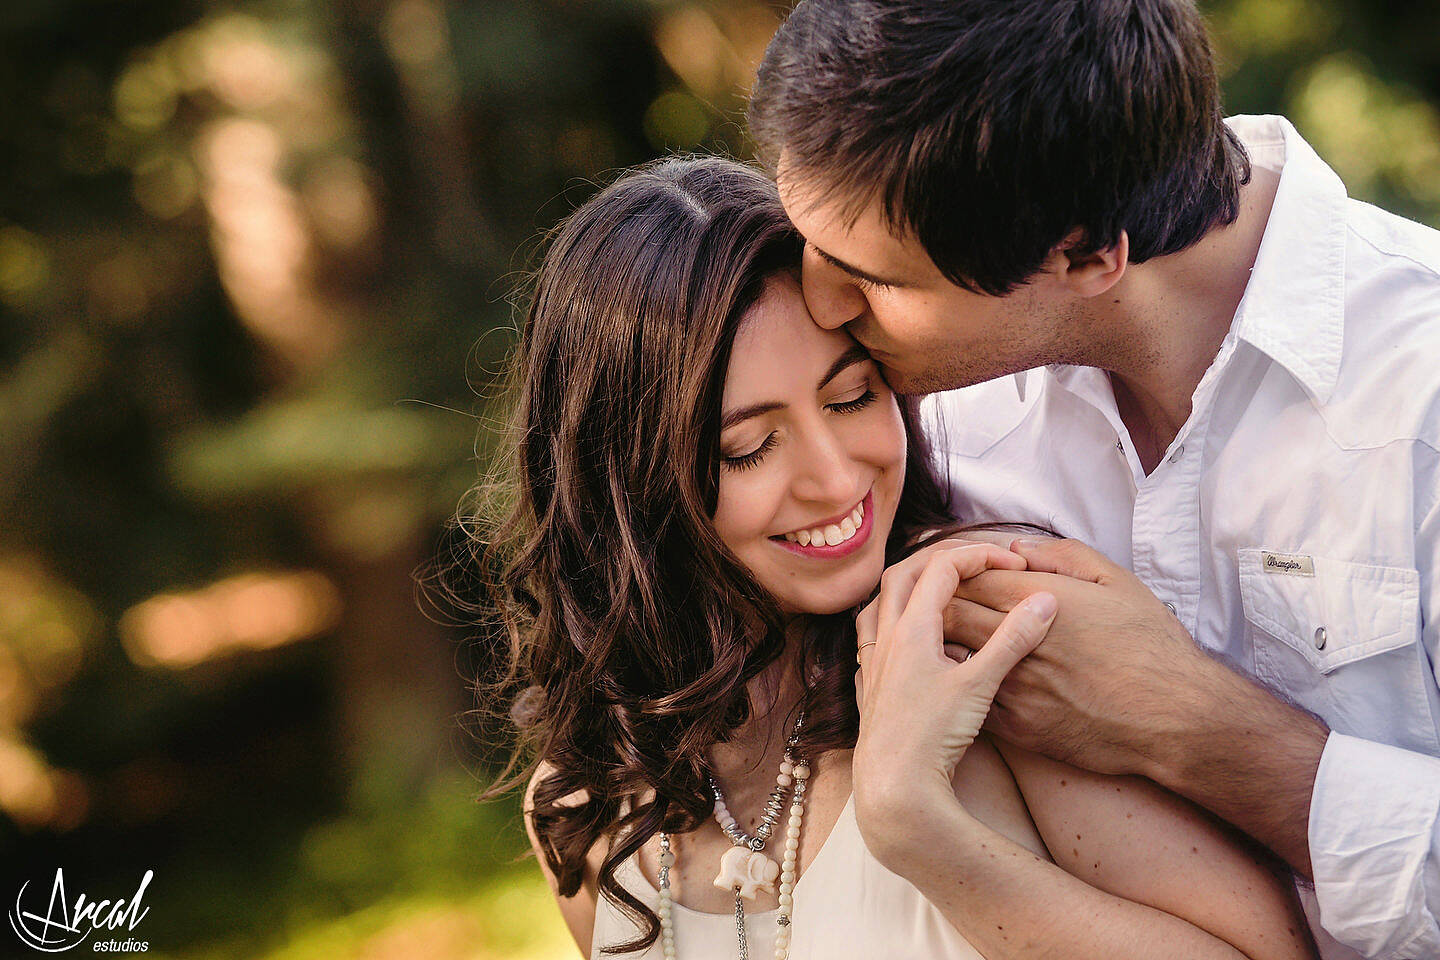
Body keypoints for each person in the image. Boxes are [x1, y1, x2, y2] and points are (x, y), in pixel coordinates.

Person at [481, 154, 1315, 959]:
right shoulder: (585, 804)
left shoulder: (995, 637)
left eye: (852, 397)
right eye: (748, 449)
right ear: (626, 485)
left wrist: (923, 833)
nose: (837, 477)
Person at [747, 1, 1440, 958]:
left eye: (876, 279)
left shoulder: (1422, 401)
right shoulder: (907, 408)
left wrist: (1192, 726)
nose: (823, 301)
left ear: (1085, 256)